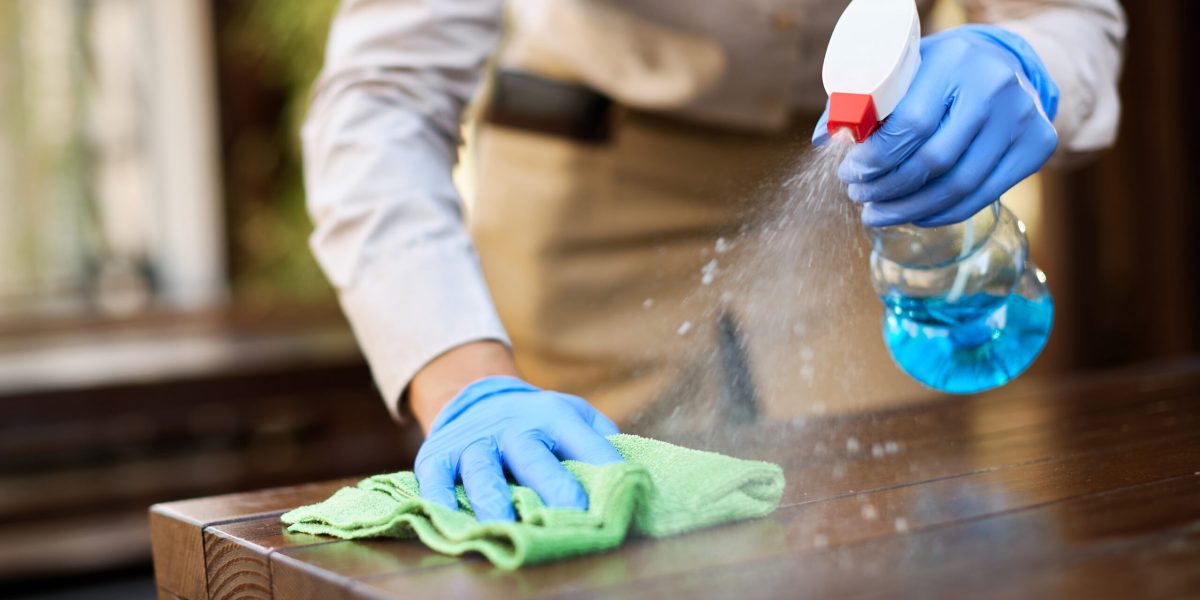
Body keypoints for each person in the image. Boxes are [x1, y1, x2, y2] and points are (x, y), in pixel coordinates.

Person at [303, 0, 1126, 522]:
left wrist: (1030, 63)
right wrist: (464, 383)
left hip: (867, 173)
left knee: (895, 520)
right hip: (590, 187)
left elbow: (1073, 20)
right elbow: (381, 103)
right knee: (589, 521)